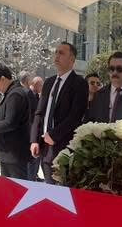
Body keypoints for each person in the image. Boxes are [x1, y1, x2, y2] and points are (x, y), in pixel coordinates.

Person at [30, 42, 88, 184]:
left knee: (62, 190)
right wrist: (34, 140)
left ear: (72, 59)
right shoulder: (49, 83)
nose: (56, 56)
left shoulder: (79, 83)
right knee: (49, 189)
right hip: (44, 147)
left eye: (61, 53)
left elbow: (75, 116)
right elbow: (39, 113)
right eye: (56, 52)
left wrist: (54, 135)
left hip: (64, 147)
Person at [0, 63, 30, 179]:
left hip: (14, 153)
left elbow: (10, 123)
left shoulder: (15, 95)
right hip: (9, 153)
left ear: (3, 79)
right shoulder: (11, 93)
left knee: (15, 187)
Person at [27, 75, 44, 180]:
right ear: (36, 84)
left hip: (37, 133)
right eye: (41, 85)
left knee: (35, 161)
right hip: (30, 134)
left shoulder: (37, 96)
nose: (42, 88)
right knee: (31, 162)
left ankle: (34, 176)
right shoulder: (28, 95)